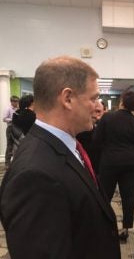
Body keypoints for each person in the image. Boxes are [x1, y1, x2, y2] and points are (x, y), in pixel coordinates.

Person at [0, 56, 121, 258]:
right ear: (67, 99)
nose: (97, 106)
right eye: (93, 98)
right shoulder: (34, 175)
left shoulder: (64, 145)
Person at [94, 89, 134, 243]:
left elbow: (96, 140)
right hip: (130, 162)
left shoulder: (107, 117)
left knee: (105, 195)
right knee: (128, 196)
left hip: (110, 161)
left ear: (122, 101)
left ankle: (102, 226)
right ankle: (126, 228)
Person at [76, 100, 106, 174]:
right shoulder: (77, 129)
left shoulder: (103, 128)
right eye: (92, 111)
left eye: (98, 111)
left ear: (103, 112)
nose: (95, 115)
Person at [2, 95, 19, 168]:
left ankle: (16, 162)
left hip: (17, 128)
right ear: (11, 101)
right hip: (10, 128)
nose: (16, 103)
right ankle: (7, 163)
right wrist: (12, 120)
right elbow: (4, 119)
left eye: (17, 101)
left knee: (17, 145)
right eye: (15, 101)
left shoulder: (18, 109)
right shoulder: (8, 109)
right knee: (9, 145)